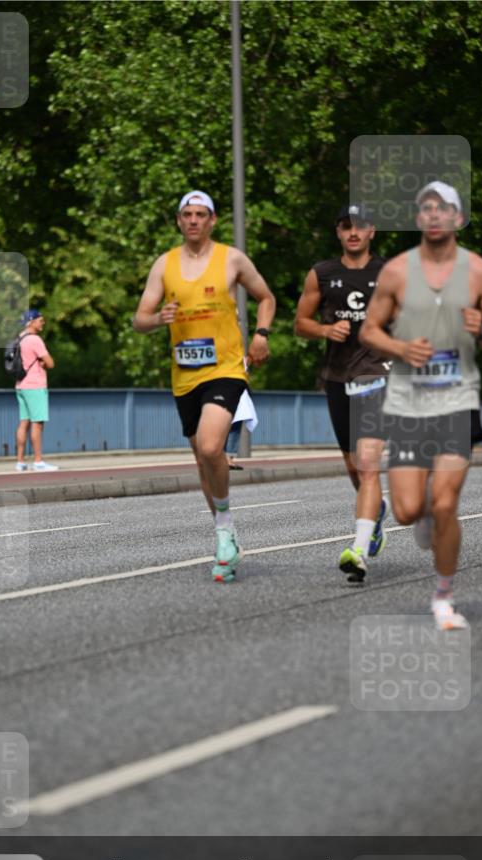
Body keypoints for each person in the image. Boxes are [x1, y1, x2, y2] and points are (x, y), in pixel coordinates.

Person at [359, 180, 482, 628]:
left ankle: (443, 595)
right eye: (425, 208)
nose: (433, 214)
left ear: (458, 218)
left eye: (442, 208)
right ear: (418, 218)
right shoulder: (398, 272)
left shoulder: (480, 272)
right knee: (409, 510)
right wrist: (401, 349)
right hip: (408, 404)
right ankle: (420, 511)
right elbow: (369, 330)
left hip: (457, 401)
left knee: (446, 504)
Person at [133, 190, 276, 581]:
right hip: (185, 376)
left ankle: (225, 526)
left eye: (201, 214)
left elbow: (266, 297)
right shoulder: (165, 265)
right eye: (187, 214)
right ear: (179, 221)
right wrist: (157, 318)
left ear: (212, 220)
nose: (193, 220)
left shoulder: (231, 259)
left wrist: (261, 334)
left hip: (226, 368)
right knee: (201, 459)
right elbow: (139, 319)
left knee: (213, 445)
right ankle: (224, 533)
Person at [295, 204, 390, 582]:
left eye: (360, 226)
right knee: (354, 467)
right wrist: (324, 331)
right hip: (337, 377)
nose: (353, 232)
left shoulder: (390, 273)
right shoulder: (322, 273)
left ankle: (360, 548)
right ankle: (376, 513)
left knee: (368, 464)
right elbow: (301, 323)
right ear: (338, 232)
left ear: (372, 232)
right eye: (345, 226)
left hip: (377, 374)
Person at [14, 309, 58, 471]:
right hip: (35, 385)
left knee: (23, 422)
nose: (43, 322)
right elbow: (51, 363)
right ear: (31, 322)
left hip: (20, 385)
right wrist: (44, 364)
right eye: (40, 320)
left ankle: (20, 461)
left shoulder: (20, 338)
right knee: (37, 423)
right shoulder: (35, 340)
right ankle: (38, 461)